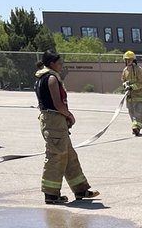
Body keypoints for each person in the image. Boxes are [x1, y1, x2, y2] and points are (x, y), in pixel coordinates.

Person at [34, 50, 100, 205]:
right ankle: (51, 194)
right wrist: (69, 115)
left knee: (69, 156)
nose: (61, 65)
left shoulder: (44, 77)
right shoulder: (51, 78)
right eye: (59, 63)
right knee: (56, 157)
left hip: (54, 121)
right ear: (52, 63)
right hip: (54, 121)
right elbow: (57, 104)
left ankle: (80, 189)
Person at [121, 50, 142, 135]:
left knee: (138, 113)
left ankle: (136, 128)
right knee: (131, 113)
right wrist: (125, 85)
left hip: (139, 96)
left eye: (130, 59)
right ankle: (135, 126)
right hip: (129, 97)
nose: (128, 61)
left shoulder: (139, 70)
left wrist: (132, 87)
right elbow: (123, 80)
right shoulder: (125, 70)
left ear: (133, 60)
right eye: (127, 60)